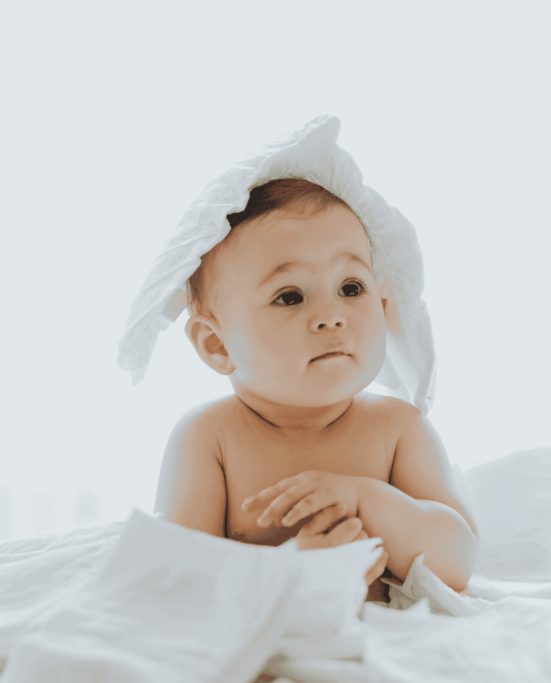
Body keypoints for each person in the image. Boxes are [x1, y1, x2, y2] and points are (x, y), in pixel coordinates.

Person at [153, 178, 478, 602]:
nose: (331, 315)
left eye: (351, 288)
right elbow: (182, 582)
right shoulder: (209, 437)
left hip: (383, 645)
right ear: (217, 345)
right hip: (271, 647)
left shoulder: (397, 428)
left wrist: (367, 499)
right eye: (290, 297)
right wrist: (291, 569)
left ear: (383, 308)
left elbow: (458, 563)